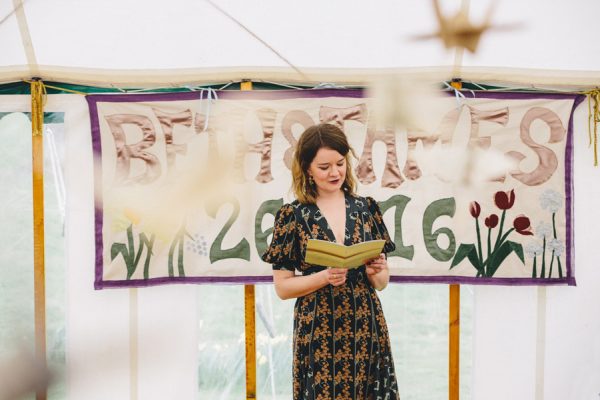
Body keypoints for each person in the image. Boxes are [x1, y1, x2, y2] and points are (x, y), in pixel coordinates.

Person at [261, 123, 400, 400]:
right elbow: (282, 288)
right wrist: (324, 277)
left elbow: (381, 284)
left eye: (340, 163)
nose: (335, 172)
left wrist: (378, 271)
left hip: (365, 326)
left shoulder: (366, 209)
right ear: (307, 168)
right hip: (319, 332)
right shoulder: (292, 216)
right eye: (324, 167)